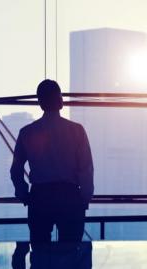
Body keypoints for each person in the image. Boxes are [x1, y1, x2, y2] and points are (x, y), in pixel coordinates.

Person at [11, 79, 94, 244]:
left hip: (40, 197)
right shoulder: (76, 131)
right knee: (71, 251)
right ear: (60, 101)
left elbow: (16, 169)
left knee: (40, 251)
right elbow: (85, 168)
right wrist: (84, 197)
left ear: (40, 103)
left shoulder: (27, 132)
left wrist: (24, 194)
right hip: (69, 197)